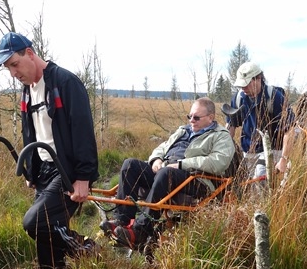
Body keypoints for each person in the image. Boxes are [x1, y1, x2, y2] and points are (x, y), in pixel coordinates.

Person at [0, 32, 99, 269]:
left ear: (30, 53)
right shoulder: (27, 90)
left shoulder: (66, 83)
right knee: (46, 229)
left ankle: (89, 250)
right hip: (44, 170)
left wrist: (83, 177)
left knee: (35, 222)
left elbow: (83, 132)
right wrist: (32, 169)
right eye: (9, 69)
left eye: (15, 65)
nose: (13, 73)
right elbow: (29, 131)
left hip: (68, 170)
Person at [101, 97, 236, 250]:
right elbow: (163, 146)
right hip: (165, 170)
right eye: (190, 116)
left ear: (211, 118)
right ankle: (122, 221)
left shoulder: (221, 135)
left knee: (166, 173)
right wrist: (156, 159)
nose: (192, 120)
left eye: (196, 117)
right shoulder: (183, 130)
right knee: (130, 164)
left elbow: (218, 162)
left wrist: (181, 164)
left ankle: (140, 231)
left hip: (196, 179)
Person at [226, 62, 294, 180]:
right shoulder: (238, 98)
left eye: (246, 84)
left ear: (258, 79)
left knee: (260, 180)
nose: (243, 88)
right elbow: (231, 125)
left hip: (271, 149)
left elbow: (290, 130)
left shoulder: (275, 97)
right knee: (245, 182)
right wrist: (224, 149)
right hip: (247, 149)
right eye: (241, 85)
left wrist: (283, 159)